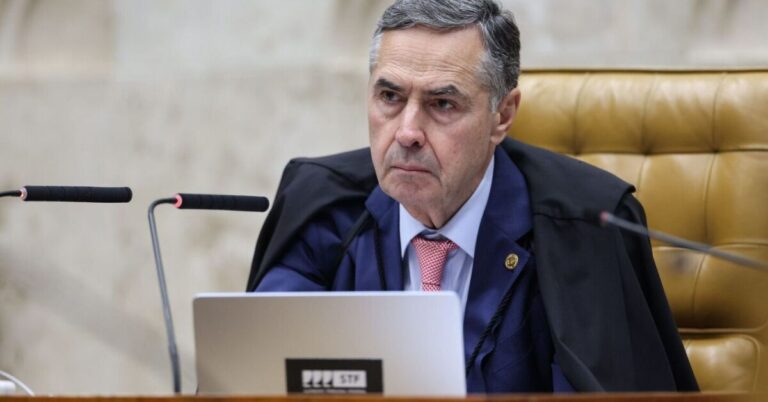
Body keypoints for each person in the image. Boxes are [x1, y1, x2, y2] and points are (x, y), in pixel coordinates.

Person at [247, 0, 698, 394]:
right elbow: (258, 372)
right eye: (390, 96)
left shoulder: (583, 227)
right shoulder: (323, 209)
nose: (407, 132)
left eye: (442, 104)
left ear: (502, 116)